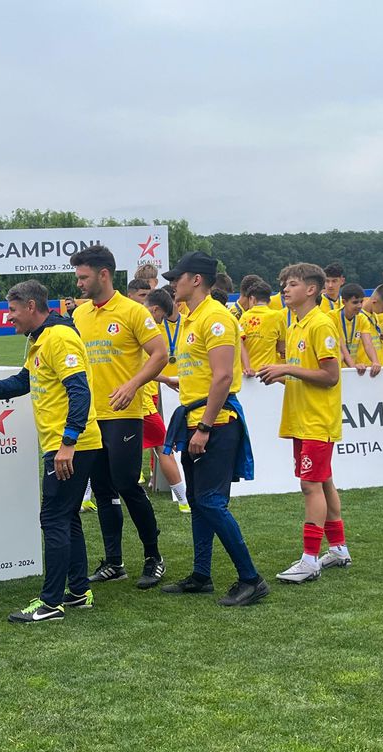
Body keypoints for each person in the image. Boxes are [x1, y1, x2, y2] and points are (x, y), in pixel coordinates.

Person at [0, 280, 103, 622]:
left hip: (70, 445)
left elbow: (79, 392)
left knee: (53, 517)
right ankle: (78, 591)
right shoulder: (38, 340)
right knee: (65, 516)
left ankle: (50, 603)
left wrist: (68, 442)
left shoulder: (60, 337)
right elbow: (25, 381)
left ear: (30, 307)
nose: (8, 317)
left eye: (11, 310)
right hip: (63, 443)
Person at [159, 251, 268, 606]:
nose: (171, 284)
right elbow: (200, 376)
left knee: (210, 501)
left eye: (177, 277)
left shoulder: (216, 318)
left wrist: (204, 426)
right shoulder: (193, 318)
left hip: (216, 423)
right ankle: (201, 575)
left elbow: (222, 377)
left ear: (196, 280)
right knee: (198, 500)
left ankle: (251, 579)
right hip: (196, 420)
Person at [70, 245, 168, 589]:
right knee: (102, 489)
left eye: (83, 277)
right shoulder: (80, 315)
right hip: (92, 416)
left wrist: (134, 383)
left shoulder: (133, 311)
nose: (79, 283)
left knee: (127, 484)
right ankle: (114, 562)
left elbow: (160, 353)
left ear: (103, 274)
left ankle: (154, 557)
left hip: (124, 414)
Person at [256, 263, 351, 584]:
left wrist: (287, 369)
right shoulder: (296, 325)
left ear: (311, 289)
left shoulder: (320, 324)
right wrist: (282, 375)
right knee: (323, 482)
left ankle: (310, 560)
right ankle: (338, 549)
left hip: (316, 420)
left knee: (310, 485)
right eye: (284, 284)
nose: (284, 289)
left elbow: (330, 376)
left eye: (292, 284)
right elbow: (307, 373)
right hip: (303, 418)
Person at [141, 288, 191, 512]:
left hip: (121, 398)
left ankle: (87, 497)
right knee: (164, 446)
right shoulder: (143, 328)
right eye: (160, 317)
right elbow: (143, 368)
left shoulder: (132, 323)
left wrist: (165, 380)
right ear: (155, 309)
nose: (159, 321)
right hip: (139, 401)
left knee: (103, 449)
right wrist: (168, 379)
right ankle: (183, 500)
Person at [238, 280, 286, 375]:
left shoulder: (244, 317)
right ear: (269, 300)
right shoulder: (278, 316)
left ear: (252, 299)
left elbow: (240, 344)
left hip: (246, 372)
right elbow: (281, 347)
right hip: (267, 372)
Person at [336, 283, 381, 375]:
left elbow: (368, 344)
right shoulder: (332, 317)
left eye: (361, 301)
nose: (360, 306)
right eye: (355, 302)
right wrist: (353, 367)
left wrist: (375, 362)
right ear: (344, 302)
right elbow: (342, 347)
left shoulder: (362, 318)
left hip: (351, 369)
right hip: (337, 370)